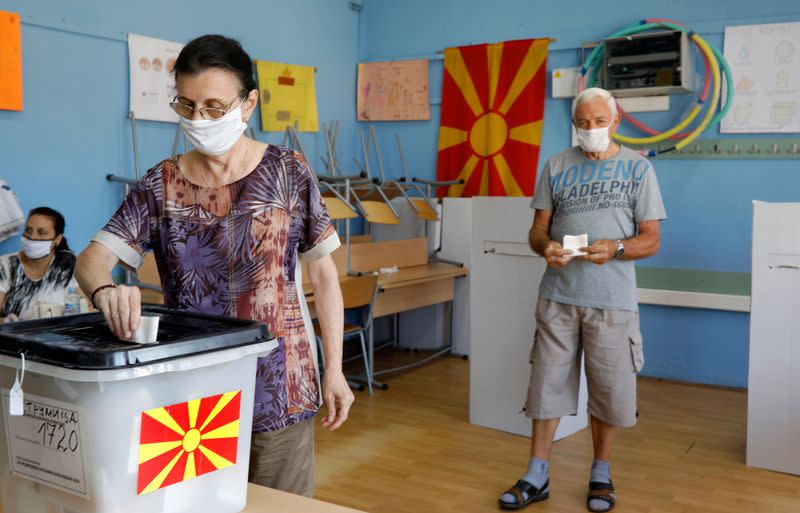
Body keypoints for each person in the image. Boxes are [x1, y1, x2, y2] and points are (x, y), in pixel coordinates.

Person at [75, 34, 352, 497]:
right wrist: (105, 290)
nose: (199, 120)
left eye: (214, 107)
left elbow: (324, 275)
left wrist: (336, 370)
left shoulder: (288, 171)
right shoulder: (160, 185)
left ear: (248, 104)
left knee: (278, 506)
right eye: (186, 106)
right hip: (189, 399)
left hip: (279, 387)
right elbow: (91, 260)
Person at [498, 87, 667, 512]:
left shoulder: (637, 169)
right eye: (582, 123)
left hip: (612, 300)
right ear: (574, 125)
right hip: (558, 296)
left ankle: (601, 474)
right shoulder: (556, 166)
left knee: (609, 391)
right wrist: (545, 247)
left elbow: (651, 240)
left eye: (598, 122)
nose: (590, 130)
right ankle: (537, 474)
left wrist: (617, 248)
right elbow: (538, 229)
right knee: (546, 384)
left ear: (616, 120)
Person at [0, 207, 79, 322]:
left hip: (61, 335)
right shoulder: (5, 265)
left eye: (41, 232)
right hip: (14, 336)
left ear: (57, 239)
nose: (32, 237)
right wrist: (5, 322)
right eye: (28, 230)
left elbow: (90, 307)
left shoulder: (69, 266)